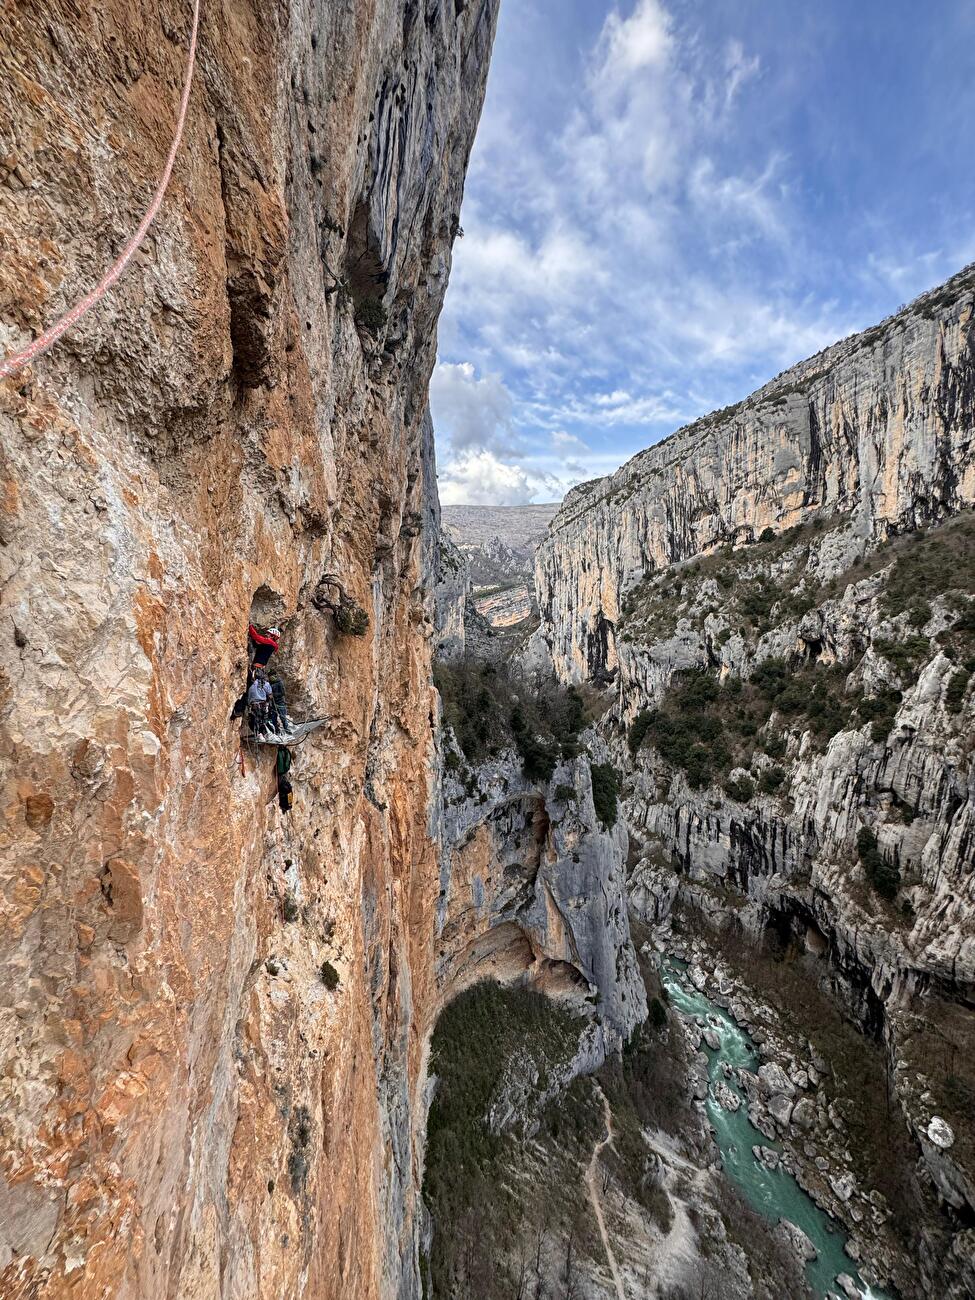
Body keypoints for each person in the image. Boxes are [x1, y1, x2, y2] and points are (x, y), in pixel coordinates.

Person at [247, 670, 273, 736]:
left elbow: (249, 699)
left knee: (256, 720)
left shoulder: (251, 686)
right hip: (263, 705)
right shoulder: (265, 684)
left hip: (254, 706)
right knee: (263, 720)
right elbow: (270, 695)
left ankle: (259, 734)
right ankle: (266, 733)